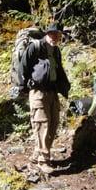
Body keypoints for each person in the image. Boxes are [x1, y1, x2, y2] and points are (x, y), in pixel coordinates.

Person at [17, 21, 70, 174]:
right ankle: (43, 160)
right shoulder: (35, 47)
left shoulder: (56, 50)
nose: (55, 37)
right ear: (47, 34)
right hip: (38, 91)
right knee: (42, 124)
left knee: (53, 124)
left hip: (52, 91)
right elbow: (23, 66)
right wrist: (23, 87)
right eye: (53, 34)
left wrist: (64, 86)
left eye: (58, 35)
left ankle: (37, 154)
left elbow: (59, 69)